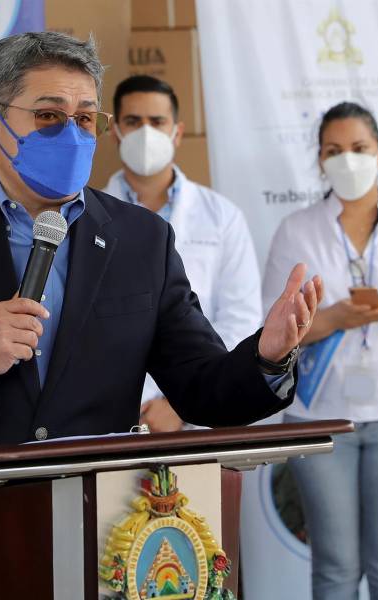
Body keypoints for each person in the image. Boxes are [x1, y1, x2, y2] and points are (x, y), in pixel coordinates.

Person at [0, 32, 321, 600]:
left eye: (85, 118)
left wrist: (267, 356)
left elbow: (201, 388)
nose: (70, 134)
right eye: (48, 116)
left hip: (102, 539)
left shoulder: (142, 239)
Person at [263, 102, 378, 600]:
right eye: (334, 151)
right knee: (336, 567)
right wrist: (332, 319)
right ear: (319, 160)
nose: (347, 160)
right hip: (320, 419)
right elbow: (271, 333)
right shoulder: (297, 230)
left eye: (359, 148)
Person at [103, 75, 263, 432]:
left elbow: (240, 318)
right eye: (133, 122)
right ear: (115, 132)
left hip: (199, 409)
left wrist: (179, 403)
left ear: (177, 132)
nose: (146, 133)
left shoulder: (223, 217)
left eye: (157, 122)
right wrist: (137, 402)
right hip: (116, 412)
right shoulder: (86, 217)